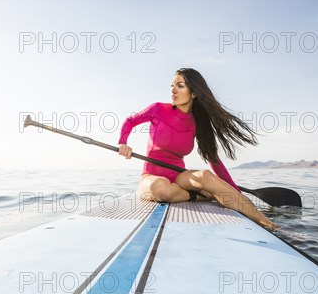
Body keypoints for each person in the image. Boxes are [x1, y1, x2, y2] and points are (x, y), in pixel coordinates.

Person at [117, 68, 278, 231]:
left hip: (179, 176)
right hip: (151, 177)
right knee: (162, 188)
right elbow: (130, 121)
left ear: (193, 93)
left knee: (205, 175)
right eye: (172, 85)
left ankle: (269, 224)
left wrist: (233, 192)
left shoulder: (197, 123)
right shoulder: (158, 109)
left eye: (180, 86)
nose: (173, 90)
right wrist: (123, 143)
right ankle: (201, 195)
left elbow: (214, 161)